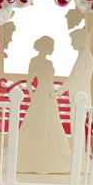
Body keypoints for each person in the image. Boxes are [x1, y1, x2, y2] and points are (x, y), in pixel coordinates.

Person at [17, 36, 72, 174]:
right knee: (36, 121)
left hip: (50, 95)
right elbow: (29, 80)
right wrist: (32, 95)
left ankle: (49, 153)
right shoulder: (34, 61)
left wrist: (54, 93)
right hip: (40, 94)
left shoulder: (49, 62)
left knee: (51, 121)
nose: (53, 49)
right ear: (45, 47)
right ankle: (34, 155)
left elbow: (49, 79)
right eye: (51, 46)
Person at [55, 29, 93, 107]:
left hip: (80, 99)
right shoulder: (84, 55)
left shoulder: (84, 56)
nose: (71, 43)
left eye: (73, 40)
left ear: (79, 40)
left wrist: (58, 92)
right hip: (78, 98)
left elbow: (73, 77)